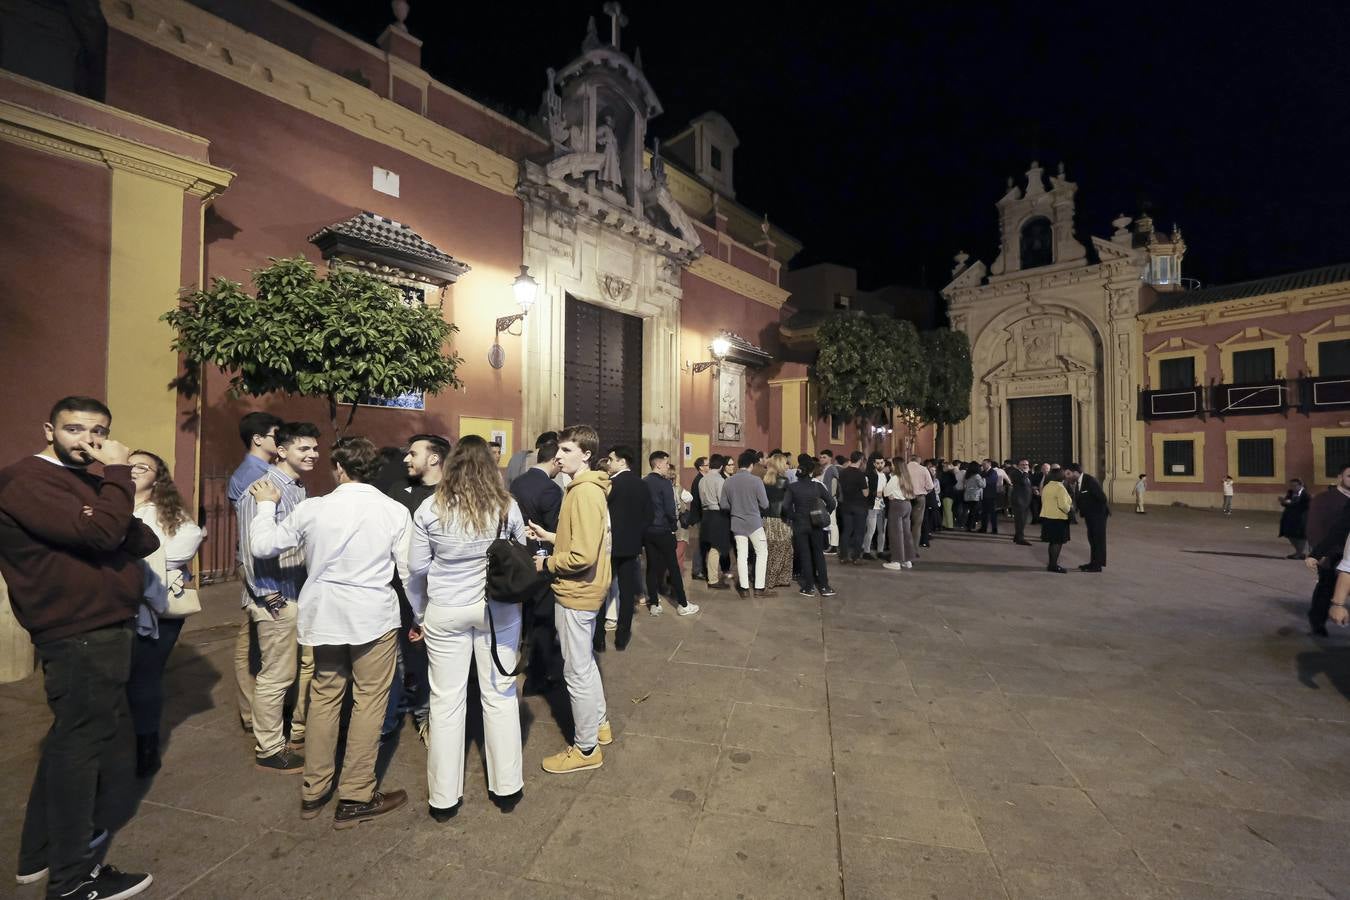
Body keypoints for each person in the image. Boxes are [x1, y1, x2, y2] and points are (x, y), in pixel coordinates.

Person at [0, 397, 160, 899]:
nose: (88, 439)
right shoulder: (28, 480)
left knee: (70, 744)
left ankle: (40, 856)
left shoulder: (88, 481)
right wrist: (115, 475)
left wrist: (105, 508)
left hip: (101, 627)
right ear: (49, 429)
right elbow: (103, 532)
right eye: (75, 429)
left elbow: (142, 539)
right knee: (79, 750)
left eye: (99, 431)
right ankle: (72, 883)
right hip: (78, 632)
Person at [249, 436, 411, 829]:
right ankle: (355, 794)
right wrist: (419, 615)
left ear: (339, 469)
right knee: (370, 700)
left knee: (324, 695)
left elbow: (263, 546)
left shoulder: (313, 508)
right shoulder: (393, 510)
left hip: (324, 614)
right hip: (372, 614)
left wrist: (266, 506)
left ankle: (315, 789)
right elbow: (407, 571)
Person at [406, 435, 526, 820]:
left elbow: (416, 569)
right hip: (497, 611)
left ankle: (443, 798)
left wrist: (420, 615)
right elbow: (520, 553)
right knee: (500, 694)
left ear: (452, 463)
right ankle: (506, 787)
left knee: (445, 701)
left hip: (446, 610)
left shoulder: (431, 508)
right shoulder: (506, 506)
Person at [528, 425, 614, 774]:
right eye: (558, 451)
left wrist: (546, 562)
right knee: (586, 665)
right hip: (586, 590)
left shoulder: (583, 493)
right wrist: (551, 535)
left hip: (576, 590)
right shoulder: (587, 489)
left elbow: (581, 555)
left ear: (586, 454)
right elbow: (582, 539)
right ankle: (600, 726)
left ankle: (585, 748)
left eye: (565, 450)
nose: (557, 457)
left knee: (576, 671)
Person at [236, 421, 320, 773]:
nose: (313, 454)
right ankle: (269, 748)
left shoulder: (296, 489)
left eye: (315, 449)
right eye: (304, 448)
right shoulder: (262, 489)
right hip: (277, 596)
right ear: (282, 451)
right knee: (276, 676)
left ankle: (287, 733)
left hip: (295, 592)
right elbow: (249, 547)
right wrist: (267, 594)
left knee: (292, 671)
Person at [127, 450, 205, 778]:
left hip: (158, 608)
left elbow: (184, 546)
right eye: (128, 465)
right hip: (113, 605)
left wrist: (125, 562)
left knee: (144, 677)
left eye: (142, 467)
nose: (133, 471)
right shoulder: (106, 504)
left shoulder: (169, 514)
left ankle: (146, 746)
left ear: (157, 478)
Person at [381, 434, 449, 745]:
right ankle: (392, 716)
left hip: (438, 594)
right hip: (397, 591)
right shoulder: (397, 492)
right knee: (398, 658)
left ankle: (427, 715)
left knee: (431, 658)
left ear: (434, 459)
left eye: (413, 453)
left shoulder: (452, 495)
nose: (406, 459)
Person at [227, 411, 282, 736]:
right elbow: (252, 537)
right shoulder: (254, 476)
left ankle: (253, 713)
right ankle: (254, 715)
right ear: (258, 438)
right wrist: (265, 587)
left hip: (261, 569)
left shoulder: (264, 471)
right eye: (277, 435)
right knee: (254, 644)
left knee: (252, 641)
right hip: (260, 571)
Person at [511, 436, 565, 694]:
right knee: (544, 616)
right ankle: (538, 675)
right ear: (554, 460)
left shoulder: (518, 482)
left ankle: (519, 657)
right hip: (543, 555)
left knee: (524, 613)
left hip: (520, 553)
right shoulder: (552, 490)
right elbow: (554, 527)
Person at [604, 445, 653, 649]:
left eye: (611, 459)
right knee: (627, 592)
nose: (608, 463)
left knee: (602, 589)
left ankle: (598, 637)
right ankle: (622, 636)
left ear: (622, 461)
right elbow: (648, 516)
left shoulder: (610, 484)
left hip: (609, 545)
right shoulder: (642, 484)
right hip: (631, 546)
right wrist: (636, 537)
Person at [642, 450, 699, 620]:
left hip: (648, 531)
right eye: (666, 463)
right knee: (673, 566)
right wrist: (674, 526)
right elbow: (669, 509)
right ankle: (683, 604)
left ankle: (654, 603)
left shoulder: (643, 482)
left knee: (651, 567)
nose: (668, 467)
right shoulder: (665, 484)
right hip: (664, 530)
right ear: (658, 464)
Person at [1303, 464, 1350, 636]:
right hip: (1333, 554)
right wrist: (1318, 553)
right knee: (1325, 589)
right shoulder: (1324, 499)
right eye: (1349, 476)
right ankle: (1318, 622)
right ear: (1340, 477)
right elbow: (1319, 528)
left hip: (1345, 554)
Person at [723, 448, 775, 597]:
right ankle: (759, 587)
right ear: (751, 465)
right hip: (754, 523)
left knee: (741, 555)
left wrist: (736, 507)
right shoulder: (756, 480)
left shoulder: (728, 481)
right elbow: (765, 504)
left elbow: (723, 504)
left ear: (739, 465)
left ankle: (744, 588)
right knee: (762, 553)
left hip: (737, 523)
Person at [783, 459, 836, 596]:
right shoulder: (817, 487)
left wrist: (793, 516)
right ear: (811, 472)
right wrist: (825, 513)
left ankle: (809, 587)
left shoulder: (793, 487)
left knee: (805, 554)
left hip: (800, 523)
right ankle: (824, 586)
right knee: (818, 553)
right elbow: (831, 502)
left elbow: (785, 506)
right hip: (816, 523)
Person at [699, 453, 733, 589]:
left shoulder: (703, 479)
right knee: (716, 548)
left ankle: (711, 575)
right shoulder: (719, 480)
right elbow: (723, 502)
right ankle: (713, 579)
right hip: (717, 515)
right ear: (721, 466)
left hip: (706, 514)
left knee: (710, 547)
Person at [1069, 463, 1110, 572]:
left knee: (1098, 539)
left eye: (1069, 473)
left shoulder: (1090, 480)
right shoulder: (1078, 482)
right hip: (1090, 515)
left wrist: (1094, 511)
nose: (1067, 476)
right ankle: (1093, 562)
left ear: (1076, 473)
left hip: (1098, 515)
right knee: (1092, 539)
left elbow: (1102, 498)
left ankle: (1097, 565)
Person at [761, 454, 794, 587]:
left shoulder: (765, 479)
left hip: (768, 519)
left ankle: (778, 578)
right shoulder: (783, 480)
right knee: (783, 548)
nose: (788, 466)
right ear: (780, 464)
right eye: (786, 463)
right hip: (781, 519)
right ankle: (774, 579)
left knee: (772, 548)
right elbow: (787, 503)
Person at [882, 457, 917, 571]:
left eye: (892, 464)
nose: (891, 466)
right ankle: (907, 560)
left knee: (896, 533)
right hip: (907, 504)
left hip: (897, 505)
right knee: (906, 533)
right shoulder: (906, 477)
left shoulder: (895, 478)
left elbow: (886, 492)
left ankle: (896, 560)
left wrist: (890, 494)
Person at [836, 451, 870, 563]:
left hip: (846, 505)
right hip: (859, 506)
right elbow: (865, 493)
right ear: (860, 460)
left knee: (846, 531)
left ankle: (843, 556)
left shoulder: (843, 472)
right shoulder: (860, 474)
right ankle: (856, 557)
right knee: (859, 532)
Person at [1040, 468, 1073, 573]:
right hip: (1058, 518)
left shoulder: (1047, 486)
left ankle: (1052, 563)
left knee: (1052, 542)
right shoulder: (1060, 488)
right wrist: (1070, 510)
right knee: (1057, 542)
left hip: (1047, 517)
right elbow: (1063, 505)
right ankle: (1053, 565)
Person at [861, 454, 888, 560]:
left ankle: (880, 550)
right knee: (871, 529)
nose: (880, 465)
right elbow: (866, 490)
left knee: (882, 530)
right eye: (877, 463)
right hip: (872, 505)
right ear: (873, 464)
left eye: (881, 463)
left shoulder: (886, 476)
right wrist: (876, 493)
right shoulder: (869, 475)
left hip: (883, 506)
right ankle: (866, 551)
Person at [907, 455, 935, 551]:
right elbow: (930, 486)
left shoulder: (905, 468)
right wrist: (924, 493)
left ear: (910, 459)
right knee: (917, 524)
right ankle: (914, 550)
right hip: (920, 498)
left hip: (906, 498)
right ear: (919, 460)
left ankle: (904, 548)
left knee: (905, 523)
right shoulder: (923, 469)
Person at [687, 456, 708, 581]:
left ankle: (700, 569)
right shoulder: (699, 480)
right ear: (701, 467)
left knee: (703, 544)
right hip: (700, 517)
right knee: (700, 545)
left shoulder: (702, 479)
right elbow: (700, 501)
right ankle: (697, 570)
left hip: (701, 516)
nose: (709, 467)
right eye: (707, 465)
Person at [1280, 478, 1311, 559]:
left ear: (1301, 485)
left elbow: (1307, 506)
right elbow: (1287, 503)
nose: (1292, 487)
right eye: (1291, 485)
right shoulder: (1290, 492)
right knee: (1289, 534)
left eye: (1294, 485)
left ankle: (1299, 553)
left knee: (1300, 536)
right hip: (1290, 517)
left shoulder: (1306, 494)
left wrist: (1292, 503)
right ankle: (1299, 552)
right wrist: (1283, 502)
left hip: (1301, 518)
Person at [818, 451, 841, 552]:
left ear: (830, 458)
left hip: (829, 499)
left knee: (832, 523)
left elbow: (835, 482)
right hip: (824, 499)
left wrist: (831, 497)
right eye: (821, 457)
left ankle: (834, 545)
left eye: (824, 457)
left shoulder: (832, 469)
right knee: (827, 522)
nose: (822, 459)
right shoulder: (823, 469)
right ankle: (827, 544)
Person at [1008, 459, 1034, 546]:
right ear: (1018, 465)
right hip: (1019, 500)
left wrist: (1033, 490)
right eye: (1023, 464)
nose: (1025, 466)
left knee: (1023, 519)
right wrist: (1026, 473)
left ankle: (1017, 536)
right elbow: (1022, 482)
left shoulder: (1025, 474)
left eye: (1026, 464)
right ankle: (1020, 538)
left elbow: (1027, 484)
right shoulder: (1015, 473)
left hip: (1026, 500)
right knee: (1020, 520)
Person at [962, 462, 985, 531]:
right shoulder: (977, 476)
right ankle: (970, 526)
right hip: (975, 496)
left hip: (967, 495)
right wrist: (984, 480)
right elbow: (982, 485)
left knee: (970, 511)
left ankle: (968, 525)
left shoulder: (967, 475)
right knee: (973, 512)